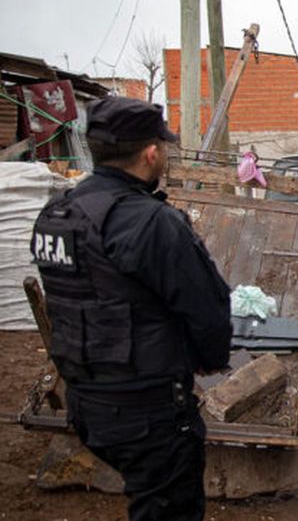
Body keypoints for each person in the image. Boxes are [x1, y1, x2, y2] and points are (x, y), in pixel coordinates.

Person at [30, 96, 233, 520]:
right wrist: (208, 360)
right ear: (151, 152)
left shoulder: (58, 213)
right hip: (148, 410)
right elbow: (208, 309)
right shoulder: (151, 221)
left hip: (87, 400)